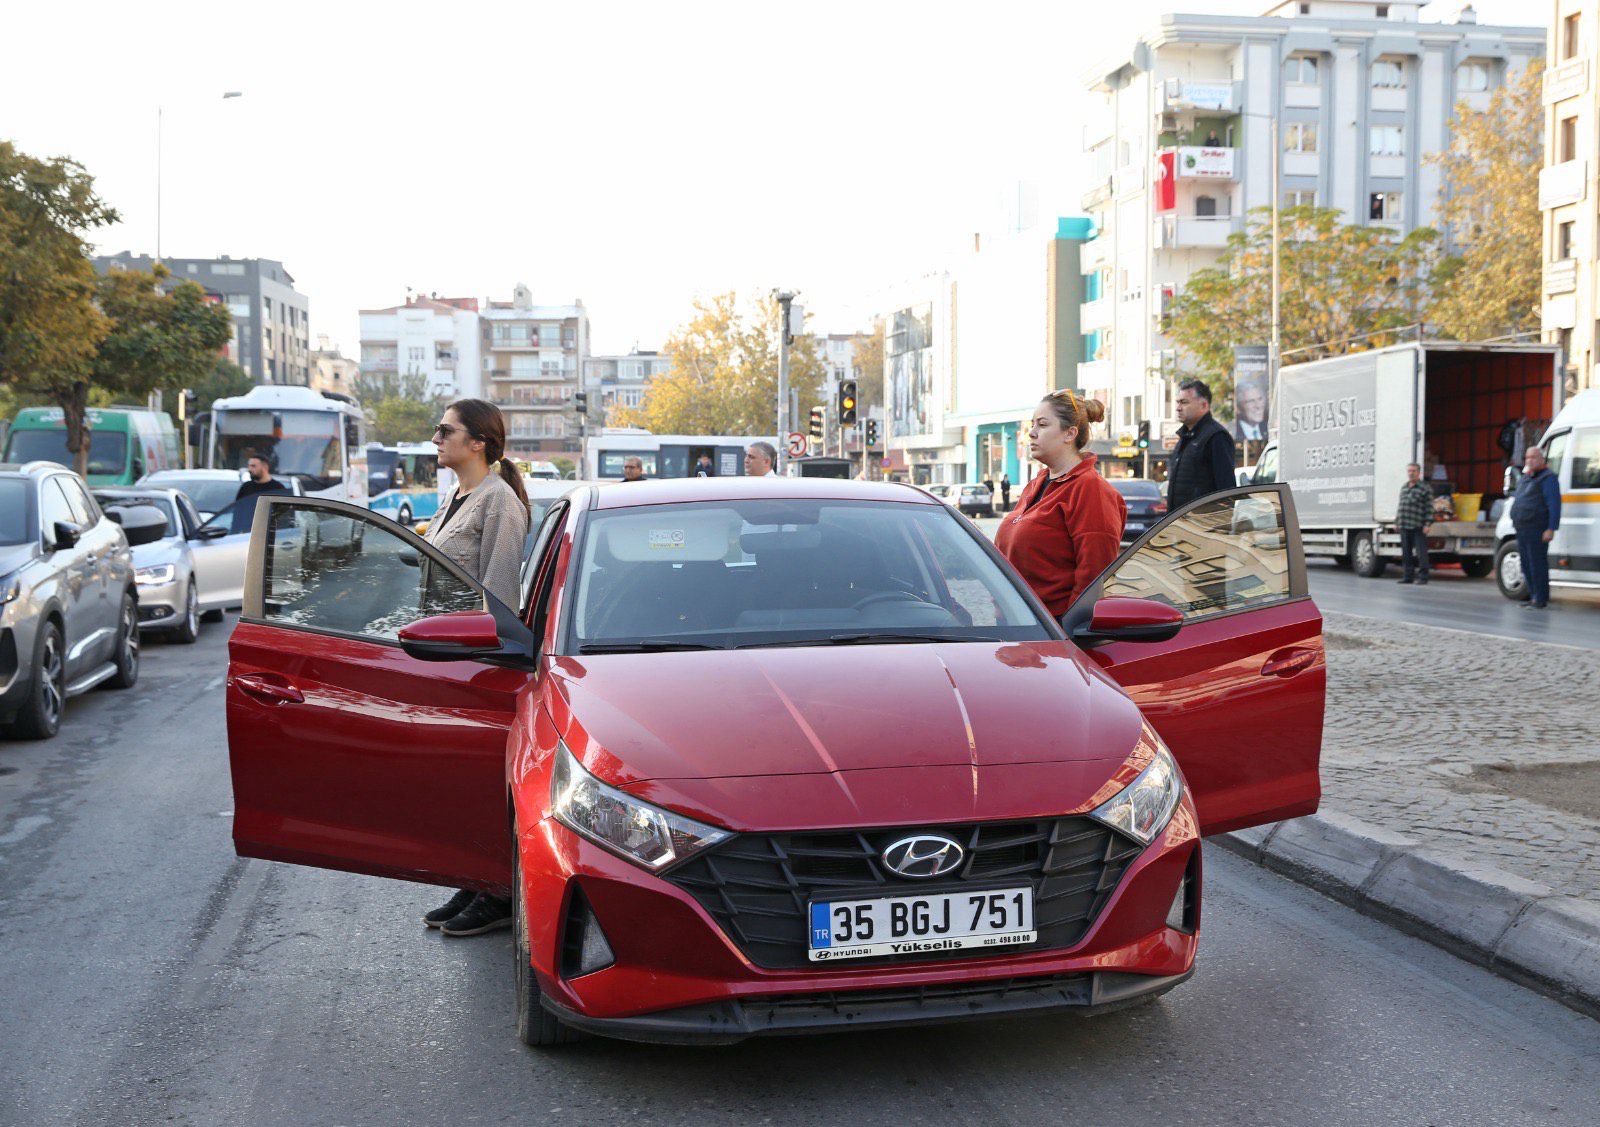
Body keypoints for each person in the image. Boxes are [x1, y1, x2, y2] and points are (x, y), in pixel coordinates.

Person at [420, 398, 531, 937]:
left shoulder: (499, 501)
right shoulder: (455, 496)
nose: (436, 438)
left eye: (446, 430)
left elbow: (500, 594)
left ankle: (500, 890)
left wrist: (484, 660)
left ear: (478, 442)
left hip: (479, 663)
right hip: (446, 658)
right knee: (463, 783)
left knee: (488, 783)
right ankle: (477, 876)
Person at [995, 391, 1126, 617]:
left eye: (1042, 425)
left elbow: (1093, 576)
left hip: (1053, 630)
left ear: (1070, 434)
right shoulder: (1037, 483)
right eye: (1032, 425)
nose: (1032, 433)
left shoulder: (1090, 489)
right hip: (1019, 622)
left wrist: (1068, 629)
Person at [1167, 379, 1236, 511]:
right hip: (1182, 526)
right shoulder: (1185, 438)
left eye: (1184, 402)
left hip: (1202, 528)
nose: (1178, 408)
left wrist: (1218, 527)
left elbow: (1226, 491)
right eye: (1178, 402)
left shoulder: (1216, 437)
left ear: (1204, 405)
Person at [1510, 445, 1562, 610]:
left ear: (1541, 459)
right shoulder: (1526, 478)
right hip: (1522, 527)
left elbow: (1554, 505)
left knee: (1536, 564)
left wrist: (1551, 528)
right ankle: (1533, 596)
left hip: (1537, 528)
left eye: (1533, 457)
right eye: (1527, 458)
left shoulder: (1548, 478)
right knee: (1525, 564)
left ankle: (1540, 599)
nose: (1529, 460)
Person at [1395, 462, 1433, 586]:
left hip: (1418, 525)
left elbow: (1429, 508)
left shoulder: (1425, 488)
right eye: (1409, 471)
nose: (1411, 473)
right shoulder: (1404, 487)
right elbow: (1401, 506)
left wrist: (1427, 524)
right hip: (1404, 524)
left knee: (1421, 553)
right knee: (1406, 553)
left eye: (1413, 471)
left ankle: (1423, 577)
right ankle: (1407, 576)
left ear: (1419, 472)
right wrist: (1397, 522)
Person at [230, 454, 289, 532]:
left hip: (270, 534)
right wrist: (234, 532)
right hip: (247, 534)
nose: (249, 469)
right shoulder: (245, 487)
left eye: (253, 466)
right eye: (249, 466)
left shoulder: (278, 488)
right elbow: (237, 513)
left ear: (265, 467)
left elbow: (284, 515)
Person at [1232, 377, 1269, 443]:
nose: (1258, 406)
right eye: (1251, 401)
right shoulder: (1234, 432)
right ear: (1239, 407)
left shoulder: (1267, 428)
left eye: (1260, 399)